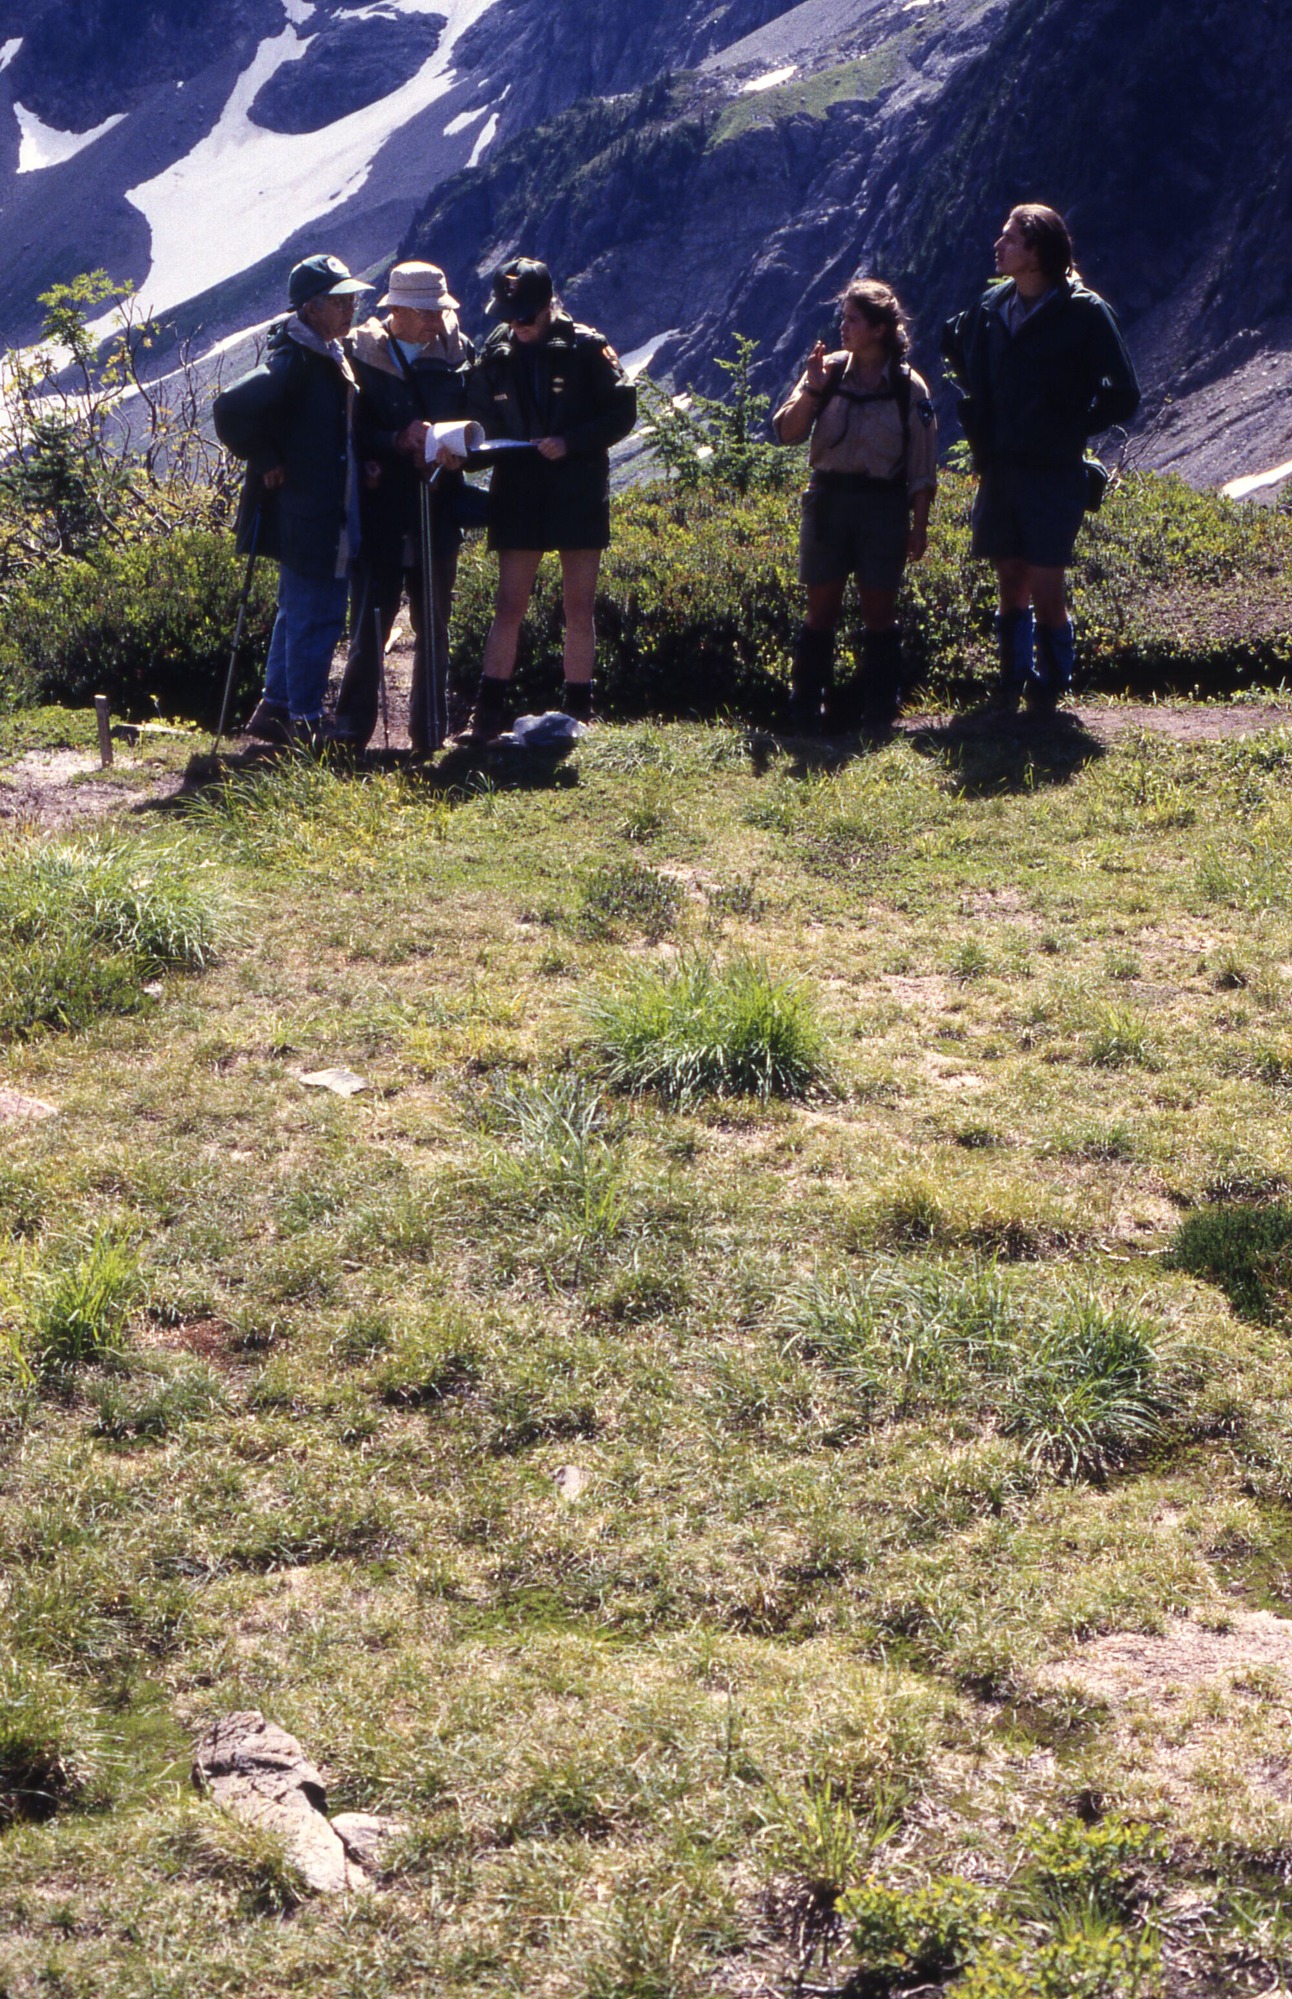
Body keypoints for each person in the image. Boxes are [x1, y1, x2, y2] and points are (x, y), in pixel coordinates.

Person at [942, 203, 1141, 713]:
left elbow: (1124, 393)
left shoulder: (1085, 312)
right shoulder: (990, 306)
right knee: (1011, 576)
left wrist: (1070, 425)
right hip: (1002, 468)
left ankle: (1054, 686)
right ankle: (1013, 679)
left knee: (1047, 585)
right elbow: (956, 346)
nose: (998, 245)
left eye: (1009, 238)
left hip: (1053, 473)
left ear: (1036, 251)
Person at [459, 258, 636, 742]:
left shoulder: (586, 347)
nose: (518, 327)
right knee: (508, 604)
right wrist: (470, 450)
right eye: (510, 317)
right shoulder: (494, 355)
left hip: (575, 488)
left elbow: (622, 413)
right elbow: (477, 418)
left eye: (526, 318)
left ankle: (580, 708)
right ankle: (487, 713)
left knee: (578, 606)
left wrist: (572, 442)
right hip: (517, 489)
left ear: (547, 307)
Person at [213, 253, 372, 744]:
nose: (350, 309)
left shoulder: (318, 353)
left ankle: (276, 707)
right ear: (309, 308)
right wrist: (264, 457)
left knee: (298, 609)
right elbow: (231, 406)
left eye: (351, 300)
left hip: (316, 507)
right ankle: (304, 719)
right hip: (311, 512)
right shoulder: (296, 360)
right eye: (338, 301)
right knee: (317, 613)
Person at [774, 278, 937, 732]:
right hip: (827, 502)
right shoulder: (825, 372)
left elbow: (923, 467)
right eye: (843, 318)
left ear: (881, 328)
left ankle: (880, 710)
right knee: (820, 609)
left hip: (882, 507)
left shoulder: (910, 389)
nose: (843, 328)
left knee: (879, 612)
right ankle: (805, 708)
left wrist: (918, 526)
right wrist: (812, 389)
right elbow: (786, 432)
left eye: (853, 320)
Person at [331, 261, 476, 756]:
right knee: (373, 614)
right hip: (381, 505)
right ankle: (351, 730)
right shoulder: (361, 352)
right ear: (396, 310)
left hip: (437, 500)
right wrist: (393, 440)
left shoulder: (459, 352)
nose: (436, 322)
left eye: (439, 312)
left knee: (434, 618)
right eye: (425, 313)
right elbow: (349, 430)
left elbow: (477, 416)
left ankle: (428, 733)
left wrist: (460, 447)